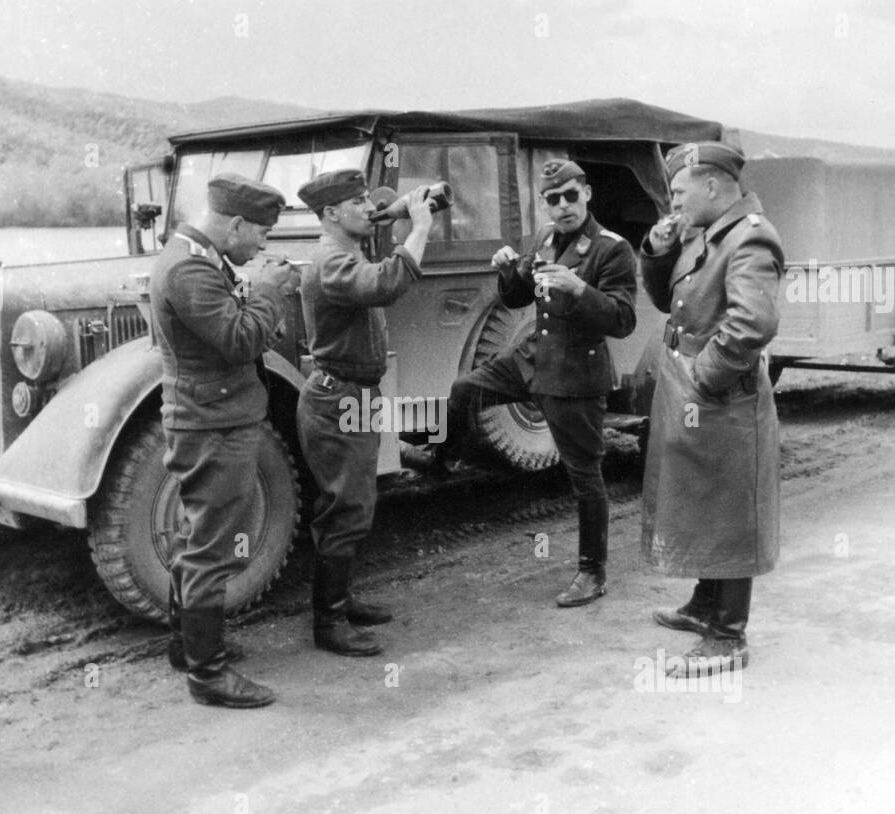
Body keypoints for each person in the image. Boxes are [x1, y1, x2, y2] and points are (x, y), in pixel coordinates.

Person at [441, 159, 637, 607]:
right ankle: (448, 454)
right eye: (553, 198)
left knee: (584, 476)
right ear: (544, 202)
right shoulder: (547, 239)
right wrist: (509, 271)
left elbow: (623, 320)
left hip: (575, 375)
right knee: (465, 389)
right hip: (531, 359)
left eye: (571, 195)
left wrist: (578, 288)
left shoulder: (612, 250)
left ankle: (593, 573)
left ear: (587, 193)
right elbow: (517, 298)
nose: (563, 205)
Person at [150, 172, 298, 708]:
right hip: (215, 425)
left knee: (198, 539)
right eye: (259, 232)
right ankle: (207, 676)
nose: (262, 244)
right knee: (213, 547)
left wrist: (255, 292)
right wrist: (267, 292)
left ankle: (185, 646)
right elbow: (239, 339)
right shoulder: (190, 268)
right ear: (234, 223)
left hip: (208, 418)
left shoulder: (194, 256)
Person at [639, 141, 785, 675]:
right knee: (705, 498)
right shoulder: (706, 233)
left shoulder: (750, 238)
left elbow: (752, 323)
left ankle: (728, 637)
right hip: (697, 389)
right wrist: (656, 252)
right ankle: (706, 605)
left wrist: (705, 377)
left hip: (722, 394)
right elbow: (668, 301)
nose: (674, 203)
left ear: (713, 186)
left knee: (729, 506)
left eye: (679, 192)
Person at [294, 169, 436, 656]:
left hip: (356, 396)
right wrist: (418, 228)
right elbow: (387, 284)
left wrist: (396, 217)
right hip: (338, 400)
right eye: (358, 202)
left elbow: (379, 266)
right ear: (332, 213)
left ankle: (342, 599)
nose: (367, 207)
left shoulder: (348, 250)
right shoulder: (330, 260)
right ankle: (328, 623)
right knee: (345, 507)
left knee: (354, 502)